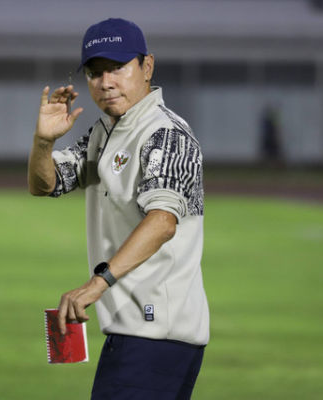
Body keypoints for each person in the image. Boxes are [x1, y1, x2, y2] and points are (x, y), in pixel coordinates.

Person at [28, 18, 209, 399]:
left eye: (117, 67)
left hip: (157, 332)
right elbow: (46, 184)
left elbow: (163, 222)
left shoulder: (166, 134)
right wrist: (43, 142)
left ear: (147, 67)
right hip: (136, 332)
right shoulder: (103, 132)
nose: (105, 81)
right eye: (95, 72)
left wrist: (97, 284)